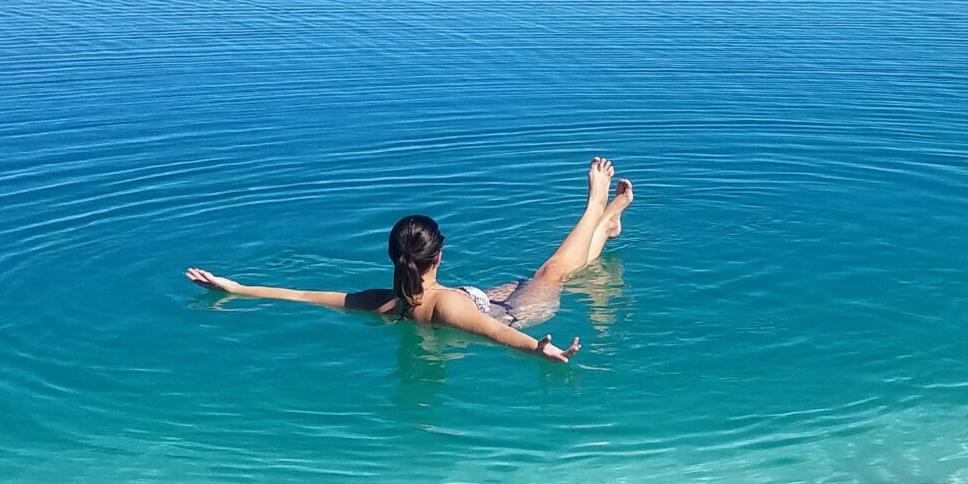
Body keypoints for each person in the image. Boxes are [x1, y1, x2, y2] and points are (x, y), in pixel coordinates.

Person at [185, 158, 635, 362]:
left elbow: (303, 294)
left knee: (551, 272)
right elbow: (499, 334)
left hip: (481, 301)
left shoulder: (386, 300)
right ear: (438, 254)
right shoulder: (446, 307)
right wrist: (540, 348)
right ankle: (595, 208)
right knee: (550, 272)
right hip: (516, 315)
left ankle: (608, 221)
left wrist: (237, 287)